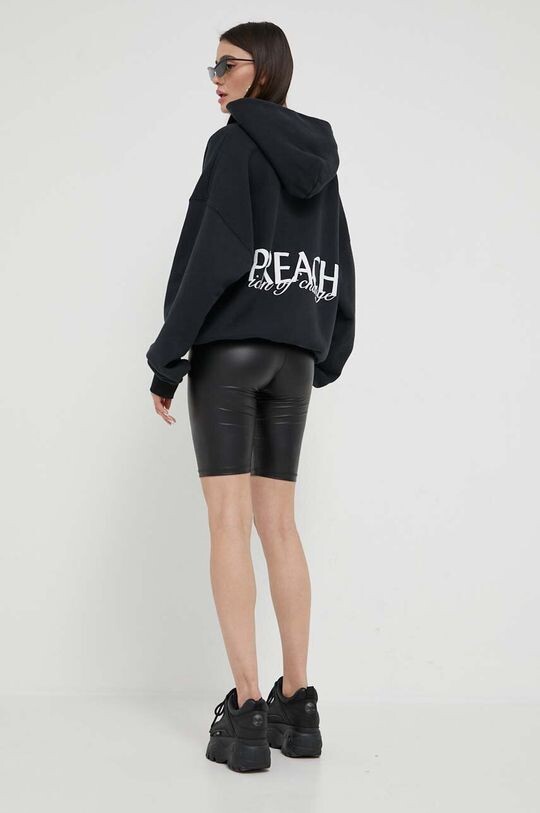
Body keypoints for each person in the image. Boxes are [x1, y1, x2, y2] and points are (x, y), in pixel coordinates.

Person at [146, 21, 355, 772]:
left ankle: (244, 711)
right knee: (281, 527)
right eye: (213, 66)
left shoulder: (233, 145)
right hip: (293, 358)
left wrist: (168, 356)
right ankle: (298, 702)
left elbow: (212, 253)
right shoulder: (321, 157)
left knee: (229, 524)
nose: (215, 78)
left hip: (231, 354)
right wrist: (327, 348)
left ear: (261, 70)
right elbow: (339, 256)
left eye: (225, 65)